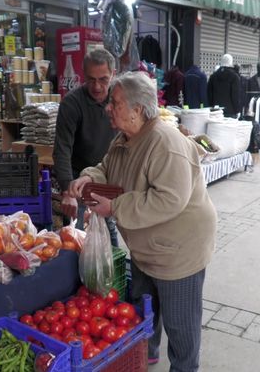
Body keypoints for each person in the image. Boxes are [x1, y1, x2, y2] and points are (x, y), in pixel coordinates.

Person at [68, 71, 217, 372]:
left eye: (116, 102)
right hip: (147, 246)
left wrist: (115, 207)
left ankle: (184, 368)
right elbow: (106, 169)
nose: (109, 107)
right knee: (144, 309)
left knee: (180, 324)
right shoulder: (124, 139)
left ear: (138, 110)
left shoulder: (165, 143)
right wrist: (88, 177)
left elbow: (169, 200)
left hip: (179, 250)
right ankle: (146, 357)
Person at [53, 48, 119, 247]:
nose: (97, 86)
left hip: (107, 175)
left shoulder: (119, 99)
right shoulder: (72, 104)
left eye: (103, 79)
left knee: (109, 228)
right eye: (91, 79)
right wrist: (67, 191)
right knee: (77, 234)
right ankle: (79, 276)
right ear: (83, 75)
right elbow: (62, 148)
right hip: (78, 178)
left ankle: (114, 271)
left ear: (113, 75)